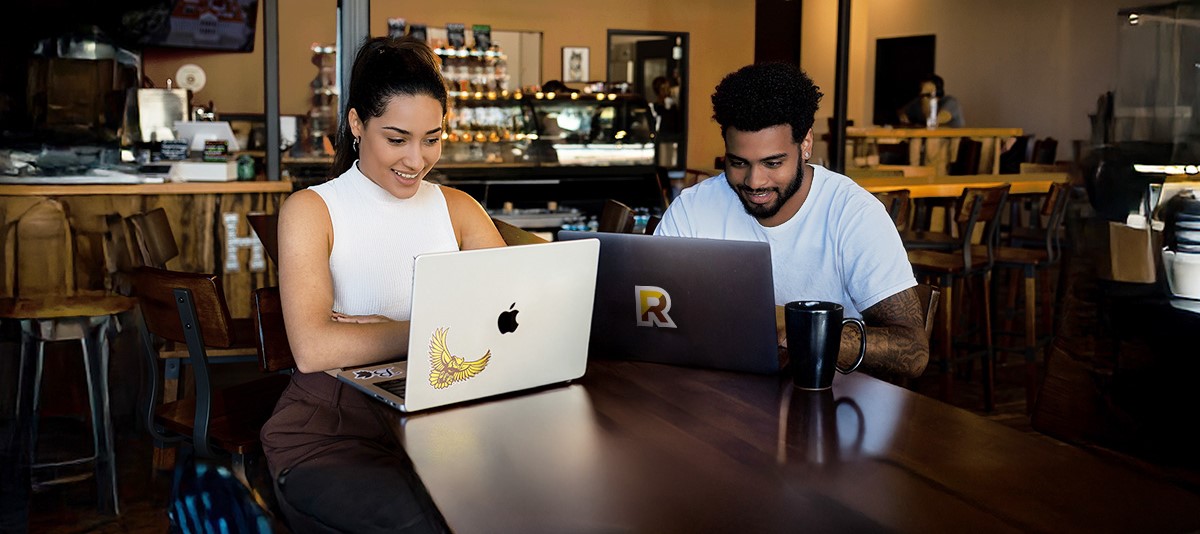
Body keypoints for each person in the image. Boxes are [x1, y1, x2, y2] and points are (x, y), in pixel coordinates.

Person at [261, 36, 504, 533]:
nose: (416, 160)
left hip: (442, 425)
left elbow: (506, 325)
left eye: (432, 138)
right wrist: (427, 332)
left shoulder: (460, 209)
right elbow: (313, 348)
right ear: (356, 124)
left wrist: (379, 334)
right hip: (332, 431)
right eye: (397, 139)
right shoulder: (311, 211)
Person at [653, 62, 928, 378]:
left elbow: (914, 351)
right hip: (720, 393)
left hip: (826, 401)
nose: (755, 181)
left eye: (772, 163)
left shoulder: (854, 216)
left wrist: (806, 329)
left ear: (806, 144)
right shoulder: (693, 208)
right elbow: (650, 309)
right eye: (738, 162)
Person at [897, 74, 964, 127]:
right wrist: (903, 117)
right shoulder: (918, 102)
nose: (924, 99)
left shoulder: (950, 102)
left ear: (939, 92)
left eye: (928, 95)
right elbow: (901, 112)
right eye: (922, 95)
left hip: (951, 139)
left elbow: (935, 121)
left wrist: (926, 106)